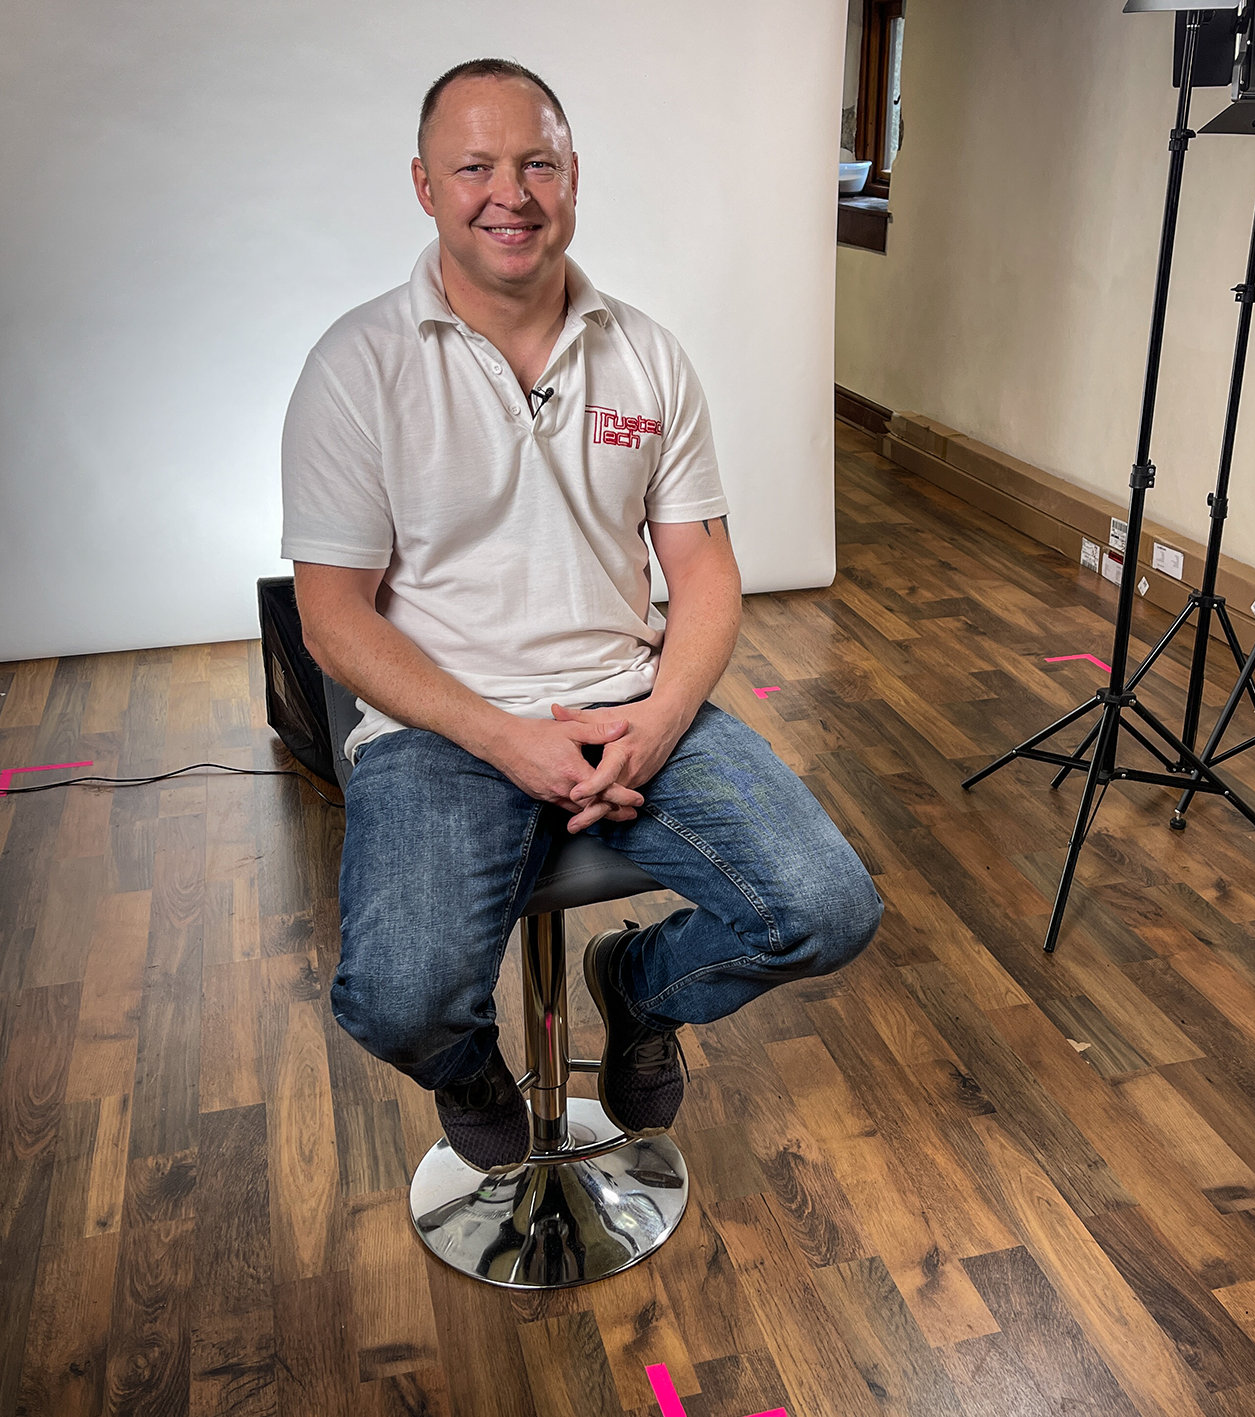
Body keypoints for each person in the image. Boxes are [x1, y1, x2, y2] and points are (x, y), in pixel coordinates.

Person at [281, 59, 881, 1175]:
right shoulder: (355, 367)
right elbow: (331, 619)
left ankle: (638, 989)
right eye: (474, 167)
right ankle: (470, 1068)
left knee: (828, 908)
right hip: (443, 730)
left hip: (627, 704)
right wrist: (508, 740)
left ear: (572, 177)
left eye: (537, 164)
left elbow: (703, 569)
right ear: (424, 185)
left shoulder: (645, 354)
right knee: (398, 998)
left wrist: (658, 718)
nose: (509, 194)